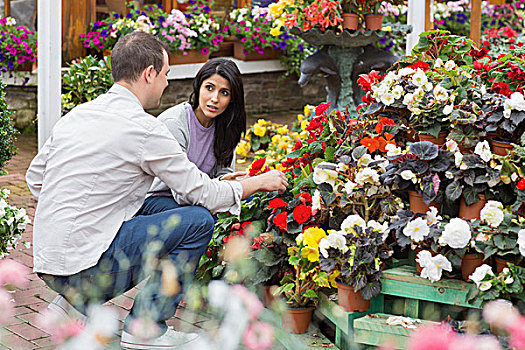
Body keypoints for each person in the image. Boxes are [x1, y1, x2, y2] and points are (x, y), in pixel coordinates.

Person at [25, 31, 288, 349]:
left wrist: (84, 215)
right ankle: (144, 327)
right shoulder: (147, 129)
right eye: (165, 74)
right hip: (86, 267)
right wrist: (258, 182)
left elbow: (35, 179)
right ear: (149, 73)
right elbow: (204, 195)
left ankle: (73, 301)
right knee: (197, 221)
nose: (166, 83)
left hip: (47, 265)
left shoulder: (77, 115)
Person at [145, 58, 246, 213]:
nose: (214, 99)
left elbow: (225, 173)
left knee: (250, 199)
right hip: (159, 198)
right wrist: (222, 188)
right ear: (199, 87)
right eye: (209, 88)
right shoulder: (175, 123)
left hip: (201, 195)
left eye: (224, 93)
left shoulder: (226, 126)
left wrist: (226, 184)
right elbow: (182, 193)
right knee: (203, 216)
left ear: (232, 100)